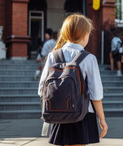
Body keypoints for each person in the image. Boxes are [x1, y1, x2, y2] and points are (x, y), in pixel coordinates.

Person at [38, 13, 108, 145]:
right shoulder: (89, 58)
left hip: (58, 113)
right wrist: (102, 119)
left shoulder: (53, 56)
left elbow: (42, 89)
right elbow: (96, 94)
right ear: (85, 35)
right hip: (82, 114)